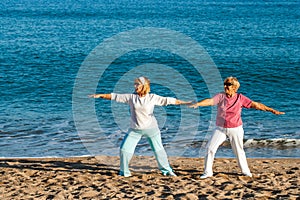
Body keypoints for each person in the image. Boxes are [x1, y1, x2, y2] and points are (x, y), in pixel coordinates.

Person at [89, 76, 190, 177]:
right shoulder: (131, 97)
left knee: (159, 151)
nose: (135, 86)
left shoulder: (152, 97)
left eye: (137, 84)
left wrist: (186, 102)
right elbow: (115, 96)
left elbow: (169, 100)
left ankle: (167, 170)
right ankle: (124, 172)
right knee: (124, 149)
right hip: (135, 130)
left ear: (143, 86)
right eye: (135, 84)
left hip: (152, 129)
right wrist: (100, 95)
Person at [189, 76, 285, 179]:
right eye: (225, 84)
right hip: (220, 128)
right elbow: (210, 101)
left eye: (228, 84)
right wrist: (198, 104)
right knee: (210, 148)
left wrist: (272, 110)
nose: (226, 86)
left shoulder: (240, 98)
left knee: (238, 150)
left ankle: (245, 171)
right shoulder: (221, 96)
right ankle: (208, 172)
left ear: (234, 87)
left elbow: (256, 105)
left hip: (235, 129)